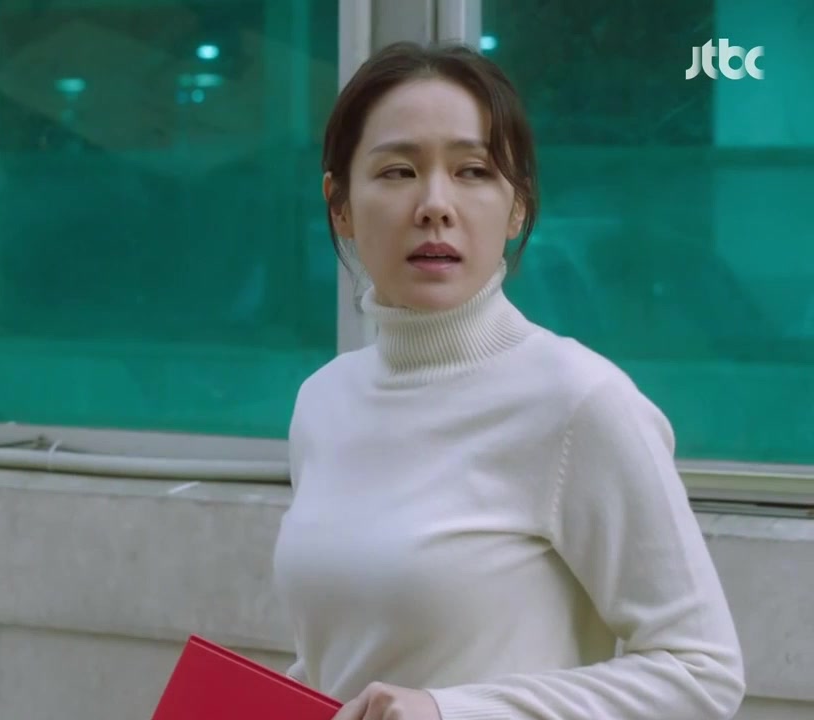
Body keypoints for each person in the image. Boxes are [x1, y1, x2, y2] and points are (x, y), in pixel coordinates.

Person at [271, 41, 746, 720]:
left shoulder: (579, 401)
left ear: (517, 205)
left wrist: (451, 711)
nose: (435, 205)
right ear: (339, 205)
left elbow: (703, 672)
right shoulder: (324, 401)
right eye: (399, 171)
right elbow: (340, 660)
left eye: (472, 171)